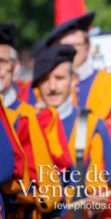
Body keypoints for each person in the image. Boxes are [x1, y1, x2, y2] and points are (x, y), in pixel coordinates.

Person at [34, 44, 111, 217]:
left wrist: (102, 204)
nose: (51, 86)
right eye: (45, 79)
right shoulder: (27, 126)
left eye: (59, 78)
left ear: (74, 80)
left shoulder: (97, 126)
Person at [44, 12, 111, 164]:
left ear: (88, 48)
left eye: (74, 46)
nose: (66, 52)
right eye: (60, 47)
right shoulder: (42, 87)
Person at [0, 23, 64, 217]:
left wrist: (18, 193)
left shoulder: (33, 117)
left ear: (15, 67)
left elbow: (53, 191)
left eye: (1, 62)